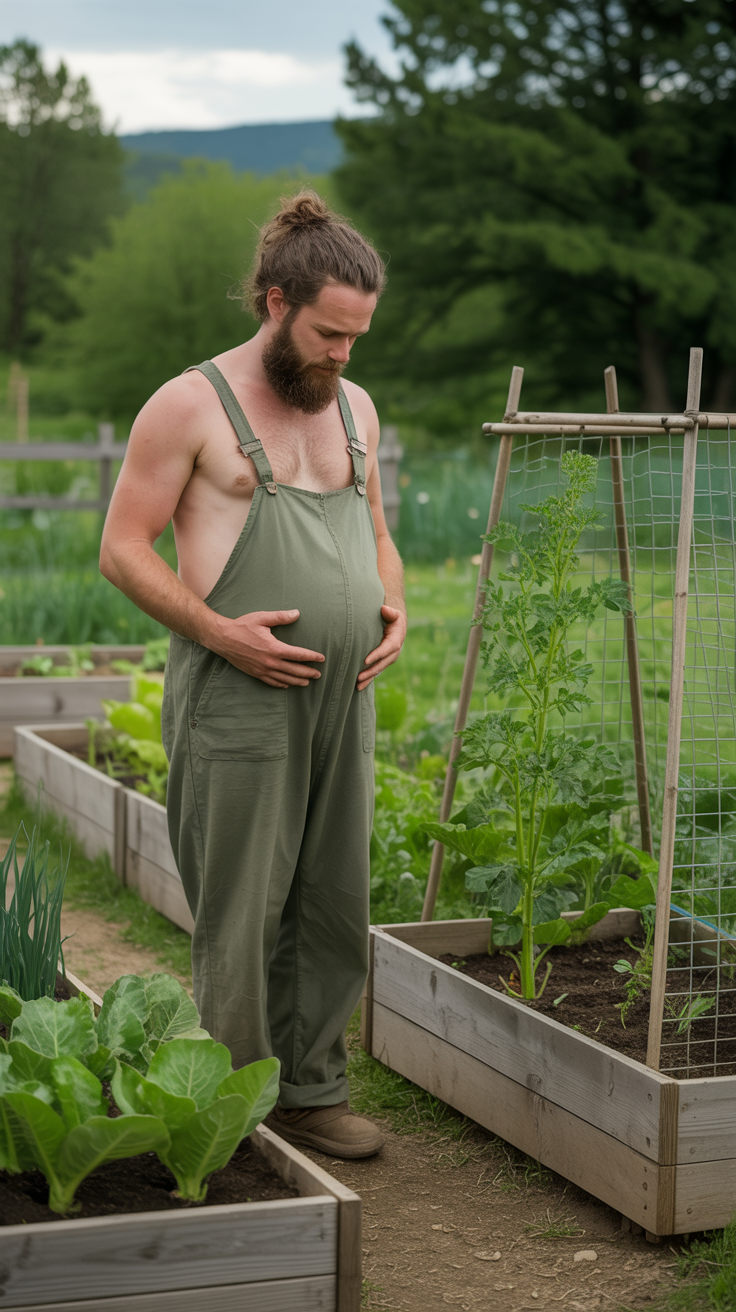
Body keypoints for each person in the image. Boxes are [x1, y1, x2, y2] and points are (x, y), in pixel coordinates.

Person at [100, 190, 406, 1158]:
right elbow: (122, 550)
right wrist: (222, 635)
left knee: (331, 895)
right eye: (327, 333)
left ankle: (313, 1090)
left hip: (341, 697)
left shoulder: (353, 405)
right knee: (242, 903)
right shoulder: (189, 404)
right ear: (275, 301)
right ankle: (234, 1108)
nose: (342, 355)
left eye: (356, 337)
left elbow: (378, 536)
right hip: (239, 694)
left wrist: (392, 605)